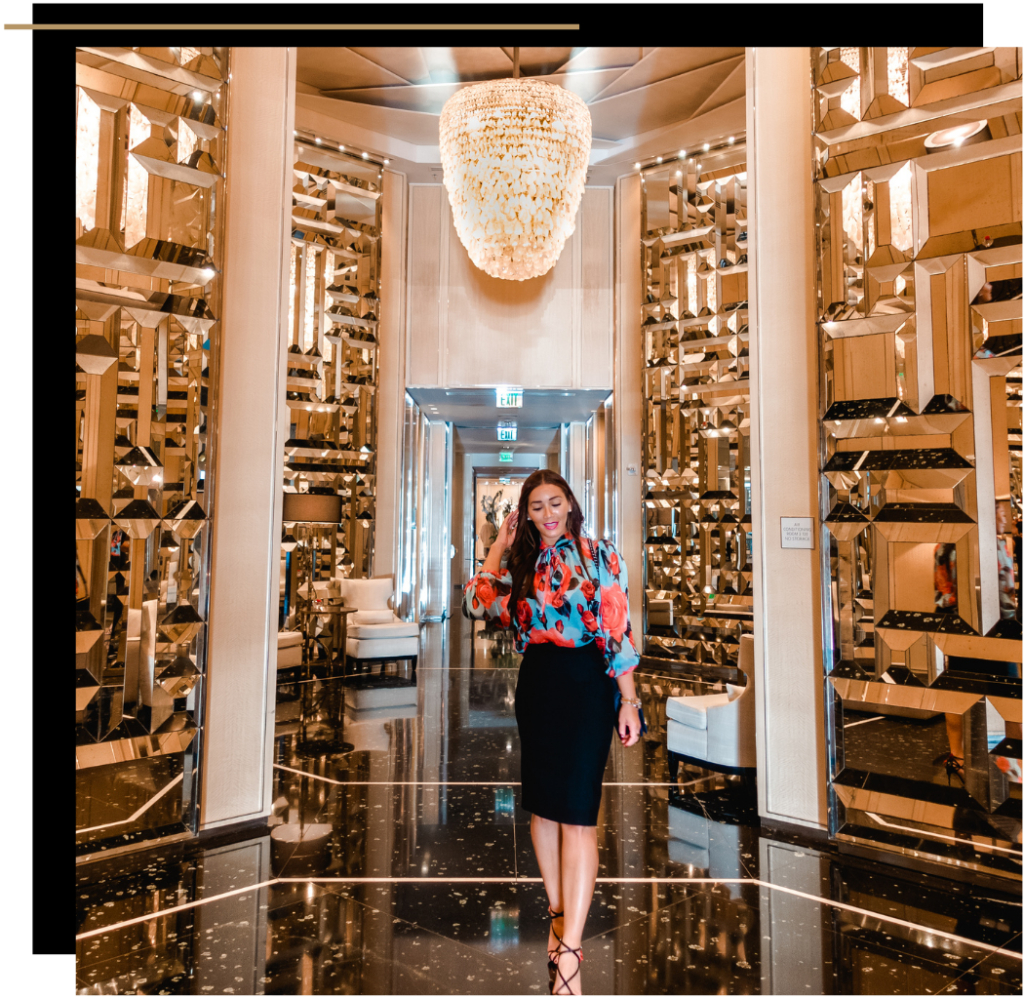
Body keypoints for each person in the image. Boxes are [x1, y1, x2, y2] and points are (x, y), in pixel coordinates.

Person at [463, 469, 642, 996]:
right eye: (536, 506)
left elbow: (617, 628)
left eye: (555, 502)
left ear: (570, 503)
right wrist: (498, 544)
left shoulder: (600, 555)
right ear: (525, 513)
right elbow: (478, 601)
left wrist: (628, 700)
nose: (548, 514)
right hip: (538, 683)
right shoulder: (520, 563)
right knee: (543, 807)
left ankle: (570, 949)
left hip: (589, 684)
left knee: (579, 815)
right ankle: (559, 914)